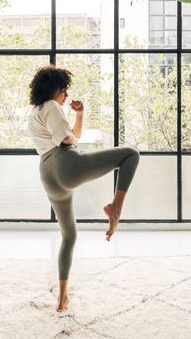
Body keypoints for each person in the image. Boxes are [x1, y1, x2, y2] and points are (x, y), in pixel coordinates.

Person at [27, 65, 140, 312]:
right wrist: (67, 125)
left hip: (48, 176)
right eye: (64, 89)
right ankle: (115, 208)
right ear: (55, 88)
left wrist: (79, 116)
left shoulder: (35, 112)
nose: (66, 95)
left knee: (69, 236)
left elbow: (70, 136)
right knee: (130, 154)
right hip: (65, 164)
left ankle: (62, 298)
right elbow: (68, 141)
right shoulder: (51, 106)